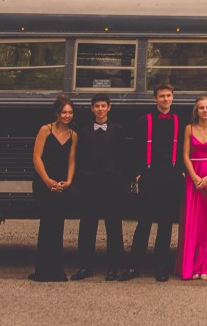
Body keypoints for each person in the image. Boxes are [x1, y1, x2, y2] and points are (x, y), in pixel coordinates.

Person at [122, 83, 183, 282]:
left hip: (170, 176)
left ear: (173, 98)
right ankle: (134, 266)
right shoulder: (144, 121)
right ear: (155, 98)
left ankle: (161, 267)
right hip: (149, 175)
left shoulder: (179, 121)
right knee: (144, 221)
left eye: (168, 96)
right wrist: (138, 174)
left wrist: (180, 172)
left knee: (165, 223)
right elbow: (135, 149)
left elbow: (183, 148)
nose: (165, 99)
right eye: (162, 96)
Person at [72, 93, 126, 282]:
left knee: (114, 227)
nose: (100, 109)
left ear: (109, 107)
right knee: (87, 226)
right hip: (90, 185)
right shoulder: (84, 131)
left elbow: (122, 157)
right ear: (92, 109)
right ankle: (85, 267)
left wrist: (119, 180)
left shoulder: (118, 129)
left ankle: (113, 268)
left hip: (111, 185)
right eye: (97, 106)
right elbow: (79, 157)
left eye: (103, 106)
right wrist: (82, 179)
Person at [29, 95, 77, 282]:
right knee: (46, 225)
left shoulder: (73, 135)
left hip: (61, 184)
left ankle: (57, 270)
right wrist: (47, 180)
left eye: (70, 112)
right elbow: (37, 158)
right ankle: (42, 271)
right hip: (45, 183)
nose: (67, 115)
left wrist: (69, 181)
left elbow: (72, 161)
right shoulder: (45, 130)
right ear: (57, 113)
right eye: (64, 112)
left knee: (58, 226)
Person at [178, 95, 207, 280]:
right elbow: (185, 155)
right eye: (201, 108)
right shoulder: (189, 129)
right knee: (194, 222)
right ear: (196, 111)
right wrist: (195, 177)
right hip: (194, 177)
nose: (205, 110)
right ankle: (193, 266)